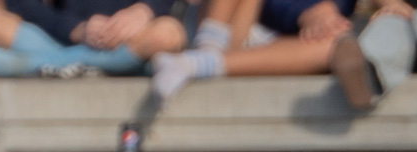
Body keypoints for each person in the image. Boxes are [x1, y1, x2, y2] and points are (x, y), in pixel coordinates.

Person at [151, 0, 355, 101]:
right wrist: (306, 12)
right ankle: (206, 49)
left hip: (287, 43)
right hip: (225, 22)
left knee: (336, 46)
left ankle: (197, 63)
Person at [0, 0, 186, 77]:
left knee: (169, 34)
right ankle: (88, 65)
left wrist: (144, 10)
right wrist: (75, 29)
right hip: (66, 39)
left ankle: (44, 65)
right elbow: (23, 5)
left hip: (131, 43)